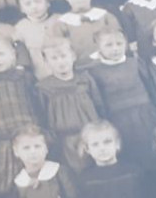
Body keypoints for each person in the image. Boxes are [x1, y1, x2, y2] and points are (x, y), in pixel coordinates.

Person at [0, 36, 45, 195]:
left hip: (29, 135)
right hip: (4, 140)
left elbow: (36, 104)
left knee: (38, 177)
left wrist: (41, 130)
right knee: (10, 184)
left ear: (12, 56)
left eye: (1, 54)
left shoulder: (22, 77)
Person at [84, 27, 156, 165]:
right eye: (109, 45)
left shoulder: (135, 63)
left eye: (119, 44)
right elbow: (98, 99)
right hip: (119, 119)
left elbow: (151, 88)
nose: (115, 48)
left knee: (153, 150)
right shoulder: (94, 71)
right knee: (130, 154)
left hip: (146, 115)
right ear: (99, 47)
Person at [35, 38, 104, 171]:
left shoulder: (85, 79)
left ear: (73, 56)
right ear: (46, 62)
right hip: (64, 140)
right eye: (54, 58)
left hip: (92, 136)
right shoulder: (43, 87)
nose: (61, 62)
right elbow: (42, 116)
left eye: (63, 56)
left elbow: (99, 105)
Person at [50, 0, 121, 66]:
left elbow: (119, 39)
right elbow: (58, 49)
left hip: (107, 64)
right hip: (80, 67)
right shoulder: (62, 23)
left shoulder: (104, 16)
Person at [13, 0, 59, 80]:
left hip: (64, 69)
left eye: (38, 1)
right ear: (21, 8)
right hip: (40, 75)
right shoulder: (20, 27)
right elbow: (21, 52)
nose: (34, 6)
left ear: (47, 2)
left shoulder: (59, 20)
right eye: (28, 4)